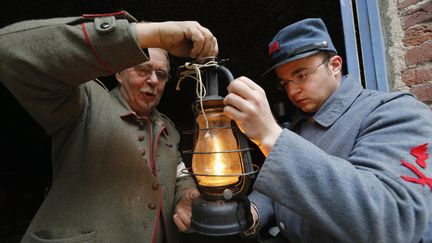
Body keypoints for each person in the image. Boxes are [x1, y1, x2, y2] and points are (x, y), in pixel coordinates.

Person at [0, 11, 217, 243]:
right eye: (143, 69)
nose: (153, 80)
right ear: (120, 73)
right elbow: (8, 48)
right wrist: (148, 34)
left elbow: (178, 174)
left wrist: (186, 195)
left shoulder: (168, 129)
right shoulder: (84, 102)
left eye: (161, 74)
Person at [223, 18, 432, 242]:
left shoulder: (396, 112)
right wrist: (252, 212)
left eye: (301, 75)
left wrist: (269, 135)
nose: (292, 91)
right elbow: (282, 186)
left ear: (335, 65)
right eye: (284, 83)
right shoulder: (298, 126)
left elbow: (393, 222)